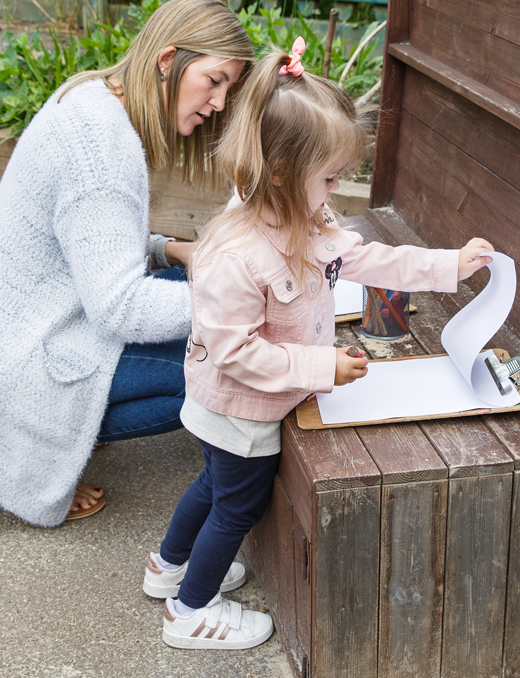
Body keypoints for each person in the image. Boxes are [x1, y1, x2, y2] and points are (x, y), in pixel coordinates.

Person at [139, 39, 496, 649]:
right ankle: (190, 611)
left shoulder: (305, 222)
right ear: (281, 173)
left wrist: (450, 266)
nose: (335, 191)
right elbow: (237, 353)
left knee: (211, 487)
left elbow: (373, 258)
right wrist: (321, 365)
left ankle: (169, 567)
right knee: (236, 508)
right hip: (239, 410)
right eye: (328, 177)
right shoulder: (236, 254)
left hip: (229, 409)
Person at [0, 0, 255, 528]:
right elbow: (120, 310)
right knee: (211, 370)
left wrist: (168, 250)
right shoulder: (103, 153)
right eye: (215, 80)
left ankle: (78, 420)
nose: (220, 102)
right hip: (7, 365)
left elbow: (87, 241)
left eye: (229, 87)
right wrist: (245, 296)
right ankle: (48, 438)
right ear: (168, 60)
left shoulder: (90, 94)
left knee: (189, 295)